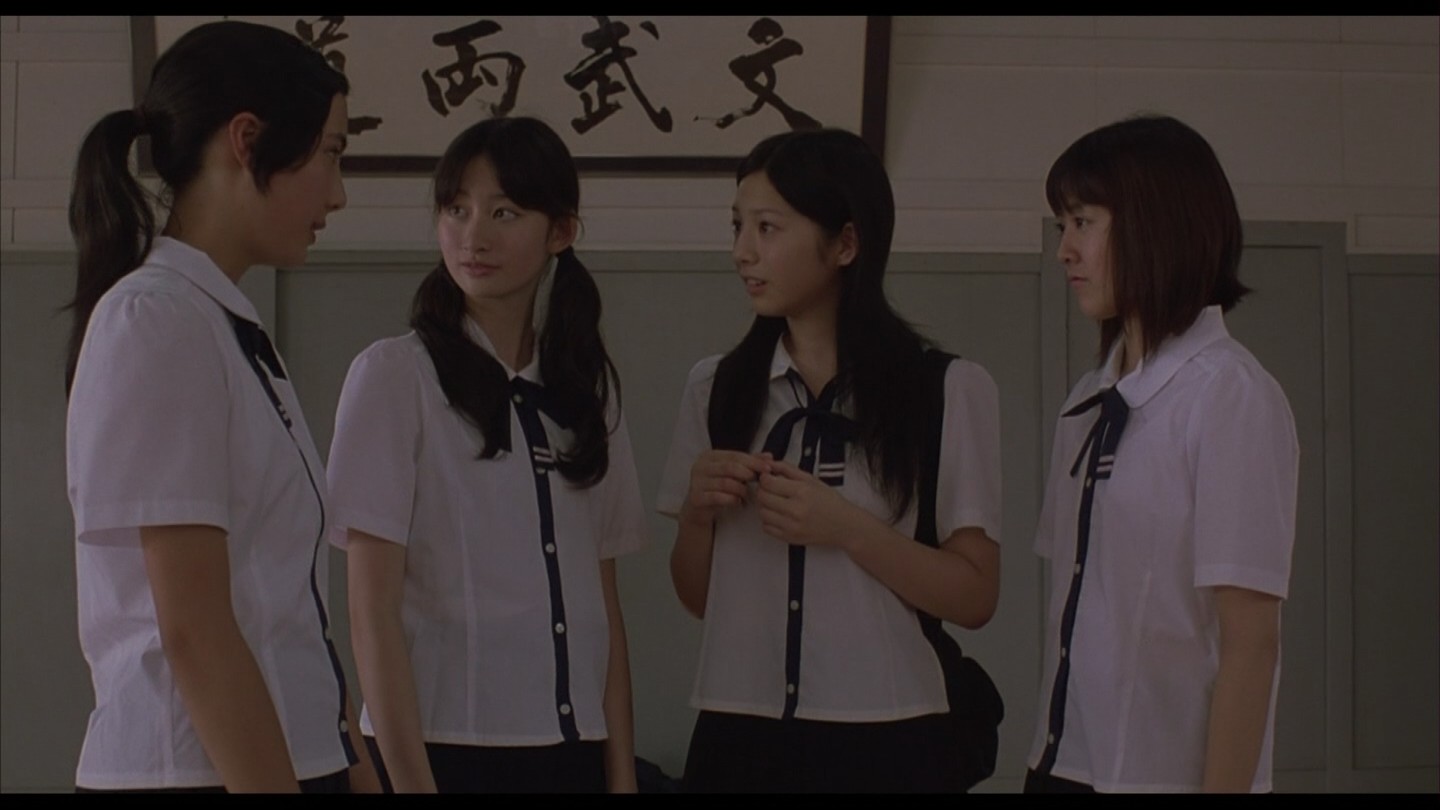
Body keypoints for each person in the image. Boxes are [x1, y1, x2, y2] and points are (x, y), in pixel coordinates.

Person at [64, 20, 377, 793]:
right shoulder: (156, 319)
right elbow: (194, 631)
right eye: (330, 153)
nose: (338, 194)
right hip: (197, 771)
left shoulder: (220, 322)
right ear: (247, 140)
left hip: (287, 759)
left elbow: (290, 615)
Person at [655, 128, 1002, 793]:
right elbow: (698, 598)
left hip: (890, 733)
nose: (742, 251)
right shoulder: (715, 387)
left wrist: (846, 527)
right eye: (737, 226)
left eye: (767, 228)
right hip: (738, 733)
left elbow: (975, 596)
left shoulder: (947, 389)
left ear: (845, 243)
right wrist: (697, 516)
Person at [328, 116, 646, 793]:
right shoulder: (395, 376)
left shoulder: (588, 391)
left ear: (560, 231)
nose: (473, 236)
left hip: (574, 751)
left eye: (505, 213)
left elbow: (603, 610)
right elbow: (370, 613)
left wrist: (621, 777)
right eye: (456, 209)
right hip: (442, 751)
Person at [1025, 114, 1299, 793]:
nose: (1064, 250)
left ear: (1156, 226)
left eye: (1083, 222)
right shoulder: (1090, 398)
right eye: (1062, 226)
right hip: (1062, 763)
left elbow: (1252, 643)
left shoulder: (1229, 395)